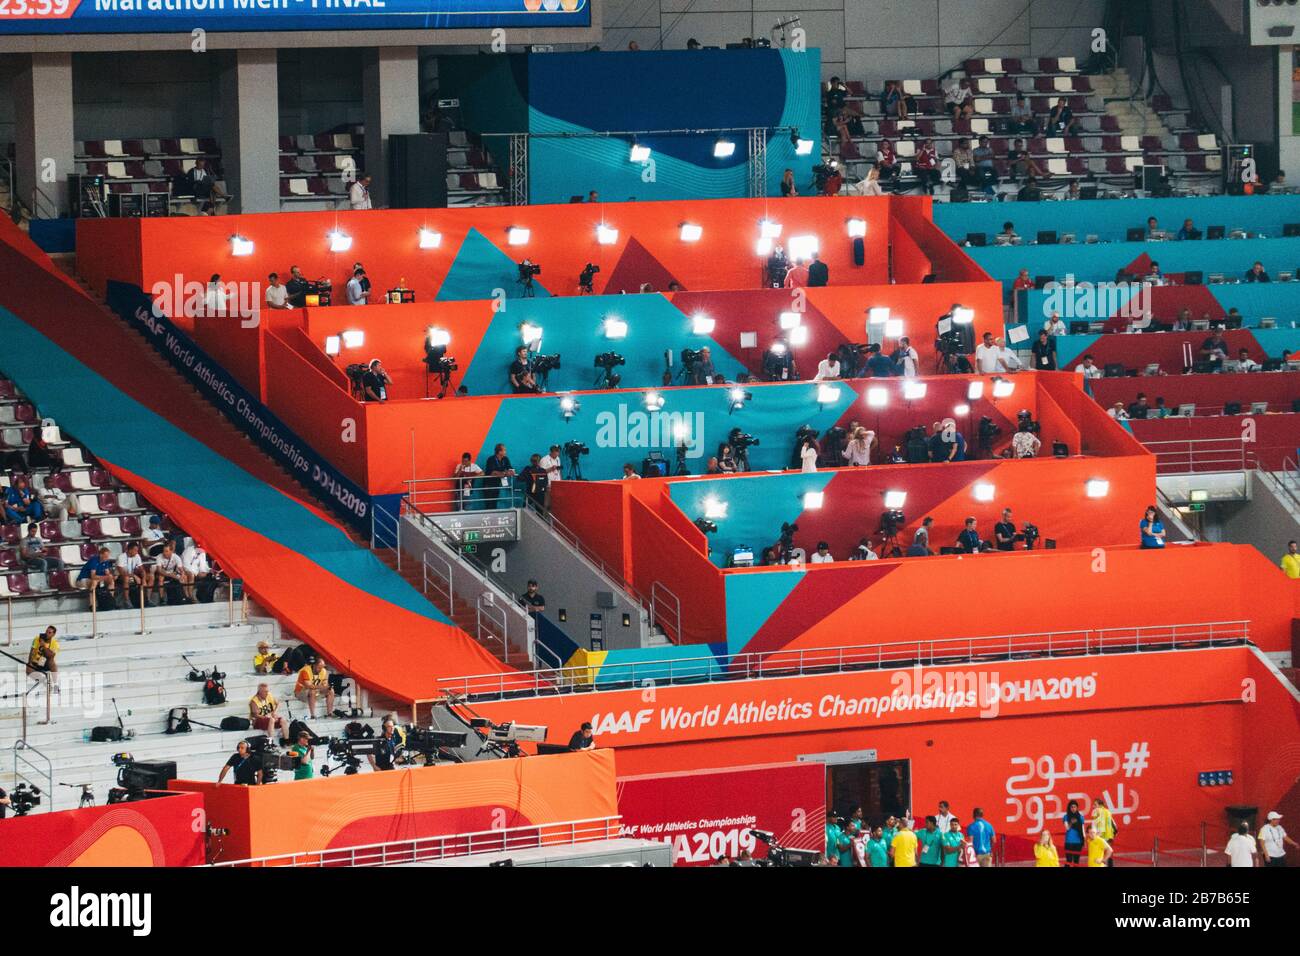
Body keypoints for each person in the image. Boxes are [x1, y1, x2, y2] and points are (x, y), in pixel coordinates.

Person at [76, 545, 118, 609]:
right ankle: (92, 605)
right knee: (94, 582)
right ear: (101, 555)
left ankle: (110, 602)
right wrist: (105, 577)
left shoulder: (105, 561)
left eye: (108, 556)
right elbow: (93, 576)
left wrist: (111, 576)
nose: (107, 558)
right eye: (106, 556)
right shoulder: (94, 560)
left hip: (98, 579)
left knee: (111, 582)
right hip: (83, 580)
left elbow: (107, 573)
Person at [115, 541, 154, 606]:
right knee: (126, 578)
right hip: (121, 576)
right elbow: (122, 573)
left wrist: (144, 579)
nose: (137, 552)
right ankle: (127, 601)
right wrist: (134, 576)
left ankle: (147, 599)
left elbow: (142, 570)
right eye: (135, 550)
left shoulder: (137, 556)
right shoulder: (121, 557)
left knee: (150, 576)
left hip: (132, 575)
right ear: (130, 550)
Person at [484, 444, 515, 509]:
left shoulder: (505, 459)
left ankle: (493, 516)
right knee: (489, 503)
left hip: (497, 483)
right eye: (504, 450)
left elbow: (511, 470)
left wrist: (509, 472)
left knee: (495, 501)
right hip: (489, 484)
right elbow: (492, 472)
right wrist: (504, 473)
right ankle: (489, 517)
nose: (506, 452)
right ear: (499, 451)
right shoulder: (491, 459)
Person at [1091, 797, 1117, 866]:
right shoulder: (1107, 811)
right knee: (1109, 855)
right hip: (1109, 836)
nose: (1093, 806)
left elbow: (1101, 828)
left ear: (1100, 805)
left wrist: (1095, 837)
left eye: (1095, 804)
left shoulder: (1099, 812)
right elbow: (1114, 824)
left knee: (1101, 856)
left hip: (1102, 837)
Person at [1062, 800, 1086, 865]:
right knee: (1068, 861)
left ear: (1077, 808)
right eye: (1072, 807)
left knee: (1076, 861)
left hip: (1078, 842)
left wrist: (1084, 841)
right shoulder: (1066, 817)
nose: (1073, 808)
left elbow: (1083, 830)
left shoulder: (1080, 817)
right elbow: (1067, 828)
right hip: (1069, 842)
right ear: (1069, 808)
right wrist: (1071, 823)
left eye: (1075, 807)